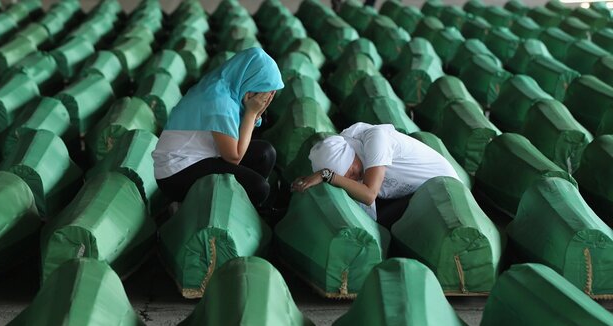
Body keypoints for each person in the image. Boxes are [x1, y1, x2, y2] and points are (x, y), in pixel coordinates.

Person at [152, 47, 284, 207]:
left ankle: (240, 210)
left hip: (202, 154)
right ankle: (201, 210)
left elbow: (238, 136)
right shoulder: (218, 99)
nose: (266, 99)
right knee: (258, 188)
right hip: (176, 171)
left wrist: (255, 114)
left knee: (265, 153)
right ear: (250, 83)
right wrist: (251, 113)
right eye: (264, 93)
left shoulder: (229, 88)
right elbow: (234, 157)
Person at [292, 122, 461, 227]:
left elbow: (369, 195)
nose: (351, 178)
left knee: (383, 227)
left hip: (441, 190)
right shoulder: (353, 151)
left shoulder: (376, 139)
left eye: (350, 171)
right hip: (406, 193)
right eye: (346, 176)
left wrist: (328, 175)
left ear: (353, 154)